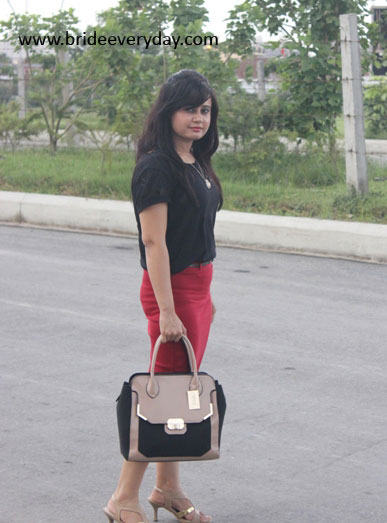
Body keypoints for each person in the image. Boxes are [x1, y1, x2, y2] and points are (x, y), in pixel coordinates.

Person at [103, 69, 223, 523]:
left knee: (176, 395)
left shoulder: (196, 162)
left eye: (205, 109)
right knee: (159, 400)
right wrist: (169, 309)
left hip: (197, 290)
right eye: (189, 108)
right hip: (171, 293)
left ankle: (167, 489)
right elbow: (155, 243)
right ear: (168, 111)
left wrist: (206, 296)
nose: (198, 117)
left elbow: (198, 234)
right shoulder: (156, 166)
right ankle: (122, 499)